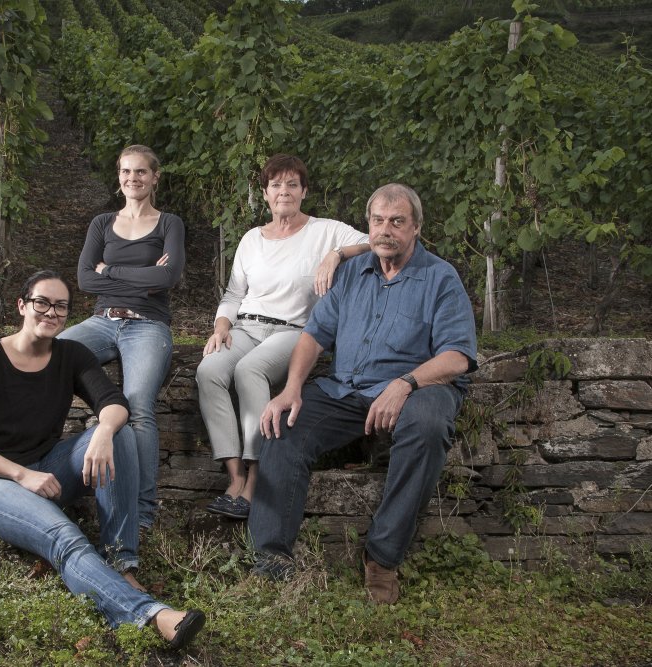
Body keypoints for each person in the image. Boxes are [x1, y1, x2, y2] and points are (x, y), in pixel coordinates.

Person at [0, 270, 205, 648]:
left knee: (121, 432)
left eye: (61, 306)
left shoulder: (70, 355)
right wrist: (20, 475)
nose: (51, 312)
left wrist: (102, 431)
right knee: (65, 536)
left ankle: (121, 563)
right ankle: (152, 615)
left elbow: (115, 403)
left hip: (45, 468)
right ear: (22, 305)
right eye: (42, 303)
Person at [248, 183, 478, 604]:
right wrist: (291, 389)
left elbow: (458, 356)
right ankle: (271, 559)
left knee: (427, 427)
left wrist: (405, 383)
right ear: (367, 225)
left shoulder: (440, 277)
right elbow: (313, 337)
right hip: (346, 390)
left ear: (416, 228)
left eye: (397, 221)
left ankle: (383, 559)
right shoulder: (352, 273)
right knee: (281, 426)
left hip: (419, 388)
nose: (386, 230)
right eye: (377, 221)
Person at [196, 154, 369, 520]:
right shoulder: (250, 239)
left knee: (249, 372)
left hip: (293, 331)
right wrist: (221, 326)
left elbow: (375, 241)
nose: (284, 191)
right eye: (276, 185)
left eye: (292, 184)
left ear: (304, 191)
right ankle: (235, 477)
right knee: (209, 371)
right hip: (245, 326)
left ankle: (258, 477)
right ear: (265, 193)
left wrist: (336, 255)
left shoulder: (326, 231)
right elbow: (232, 295)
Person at [59, 145, 185, 530]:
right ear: (119, 177)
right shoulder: (101, 223)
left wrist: (109, 269)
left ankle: (144, 511)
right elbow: (84, 279)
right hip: (101, 320)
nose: (133, 178)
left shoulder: (169, 224)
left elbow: (168, 278)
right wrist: (143, 273)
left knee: (139, 406)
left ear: (155, 176)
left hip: (148, 325)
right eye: (126, 172)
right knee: (52, 358)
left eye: (141, 172)